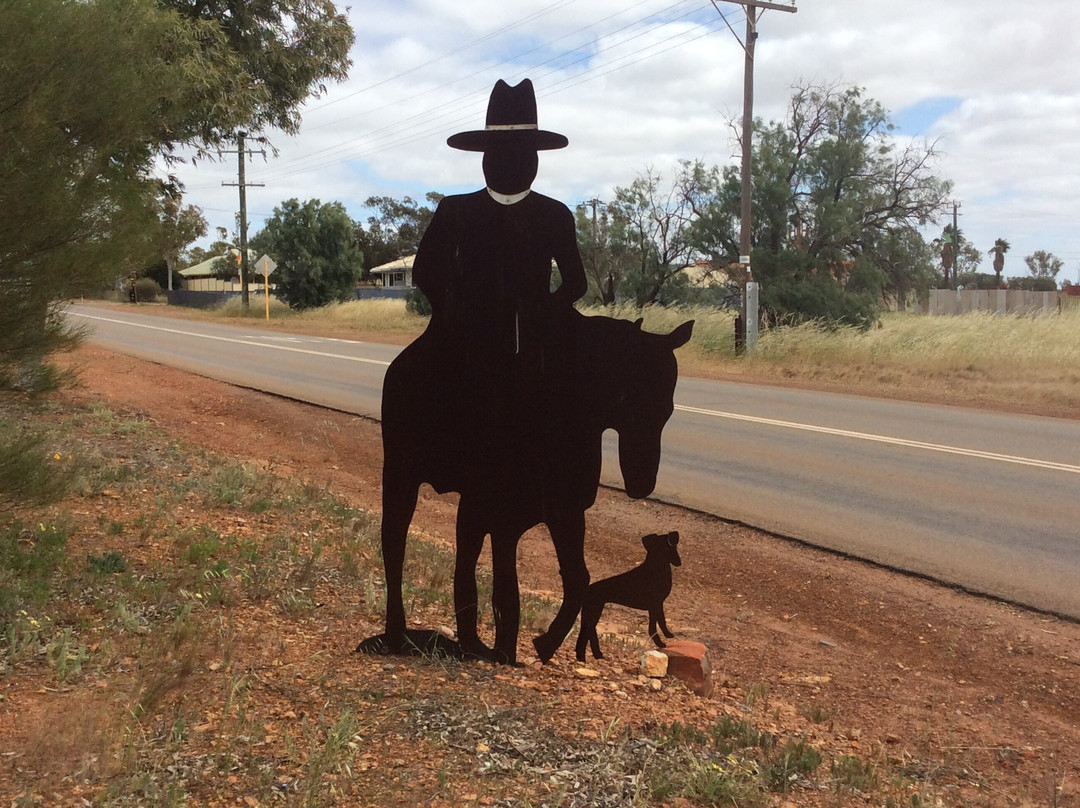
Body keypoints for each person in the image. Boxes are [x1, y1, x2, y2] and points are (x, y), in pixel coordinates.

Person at [411, 79, 587, 491]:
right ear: (486, 156)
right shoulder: (455, 211)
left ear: (533, 157)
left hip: (533, 336)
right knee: (427, 387)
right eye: (502, 152)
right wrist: (454, 311)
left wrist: (544, 312)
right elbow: (424, 272)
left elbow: (575, 282)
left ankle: (567, 474)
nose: (511, 160)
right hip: (464, 333)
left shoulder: (554, 215)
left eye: (520, 152)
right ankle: (437, 458)